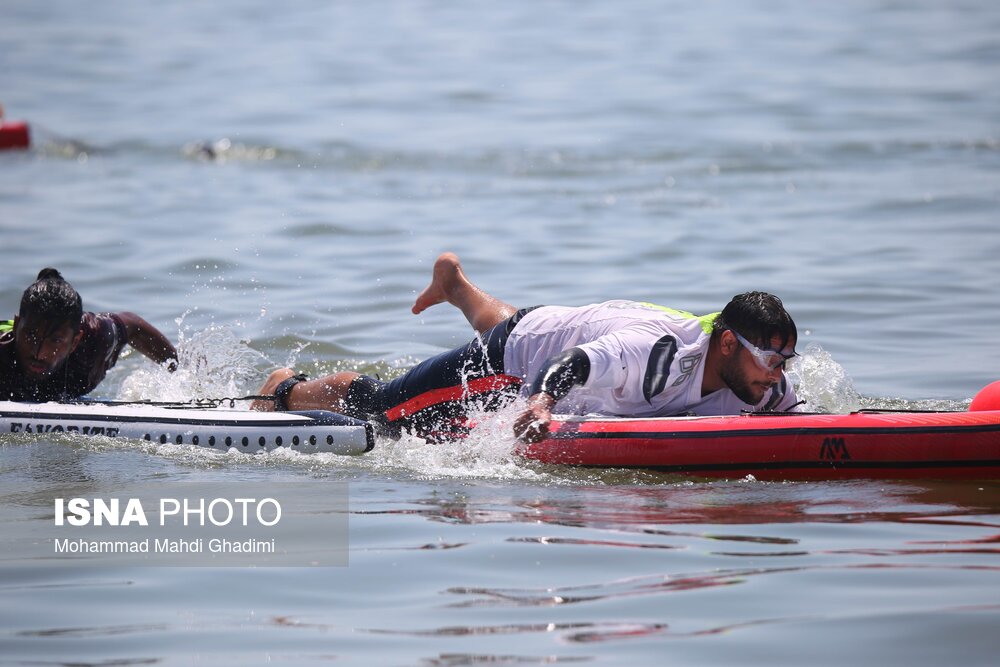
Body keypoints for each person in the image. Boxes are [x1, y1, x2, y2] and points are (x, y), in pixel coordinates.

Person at [253, 253, 799, 443]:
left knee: (519, 324)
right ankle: (286, 388)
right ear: (728, 343)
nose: (775, 376)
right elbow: (574, 365)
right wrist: (539, 403)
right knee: (389, 412)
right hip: (522, 359)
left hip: (556, 322)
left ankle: (457, 287)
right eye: (769, 360)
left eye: (784, 363)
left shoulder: (762, 381)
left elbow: (803, 419)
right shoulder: (659, 354)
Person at [0, 268, 178, 402]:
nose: (38, 353)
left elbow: (131, 325)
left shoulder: (95, 338)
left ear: (75, 341)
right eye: (31, 336)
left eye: (55, 340)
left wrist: (179, 372)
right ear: (16, 327)